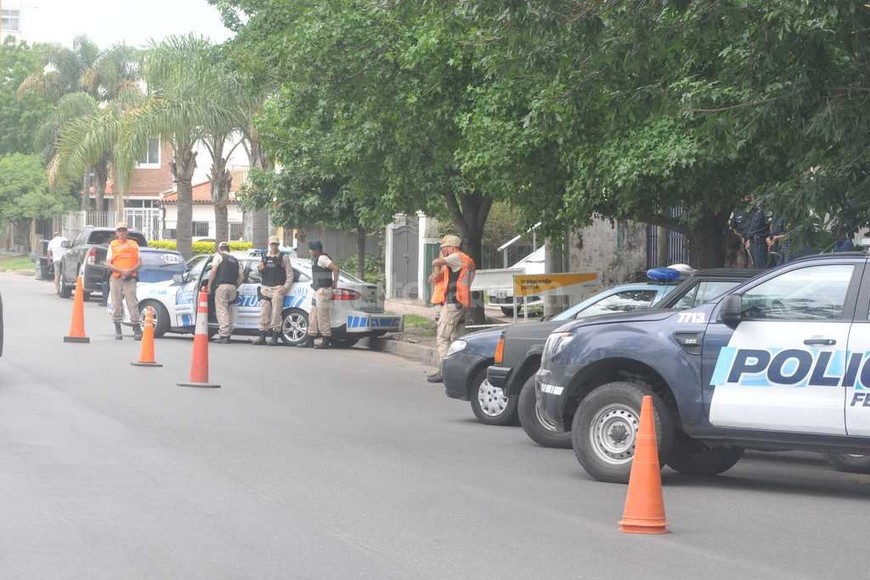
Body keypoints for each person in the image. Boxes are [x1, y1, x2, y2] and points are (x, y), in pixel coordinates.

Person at [426, 234, 475, 383]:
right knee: (456, 339)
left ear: (452, 247)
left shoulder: (457, 257)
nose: (443, 251)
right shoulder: (465, 260)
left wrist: (440, 258)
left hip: (454, 303)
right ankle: (460, 371)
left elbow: (436, 261)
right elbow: (439, 276)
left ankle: (445, 371)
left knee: (442, 337)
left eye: (444, 248)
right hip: (461, 302)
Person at [299, 240, 340, 349]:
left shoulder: (322, 258)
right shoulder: (317, 259)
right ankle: (310, 338)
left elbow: (335, 268)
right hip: (317, 290)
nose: (309, 251)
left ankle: (325, 340)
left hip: (323, 290)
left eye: (311, 249)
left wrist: (334, 283)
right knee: (313, 314)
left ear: (315, 250)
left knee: (322, 316)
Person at [254, 235, 292, 346]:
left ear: (278, 245)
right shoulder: (264, 257)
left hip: (277, 288)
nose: (274, 246)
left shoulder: (283, 257)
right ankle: (262, 336)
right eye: (272, 244)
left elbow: (289, 274)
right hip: (265, 288)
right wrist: (259, 269)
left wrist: (285, 287)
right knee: (264, 312)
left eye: (275, 244)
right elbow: (258, 272)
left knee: (276, 313)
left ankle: (275, 336)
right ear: (269, 244)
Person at [106, 222, 142, 341]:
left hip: (130, 277)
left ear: (127, 232)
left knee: (132, 302)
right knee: (116, 303)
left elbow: (140, 262)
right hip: (117, 277)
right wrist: (121, 270)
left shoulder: (134, 244)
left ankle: (136, 326)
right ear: (116, 233)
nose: (122, 233)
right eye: (119, 230)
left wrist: (129, 271)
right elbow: (108, 263)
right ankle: (118, 327)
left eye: (123, 230)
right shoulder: (113, 245)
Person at [205, 241, 243, 344]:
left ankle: (224, 335)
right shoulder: (236, 260)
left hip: (222, 287)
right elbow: (241, 277)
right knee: (229, 310)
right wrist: (235, 286)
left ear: (220, 249)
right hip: (232, 288)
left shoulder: (218, 256)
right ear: (228, 249)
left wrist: (209, 286)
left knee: (222, 310)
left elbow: (213, 271)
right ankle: (228, 332)